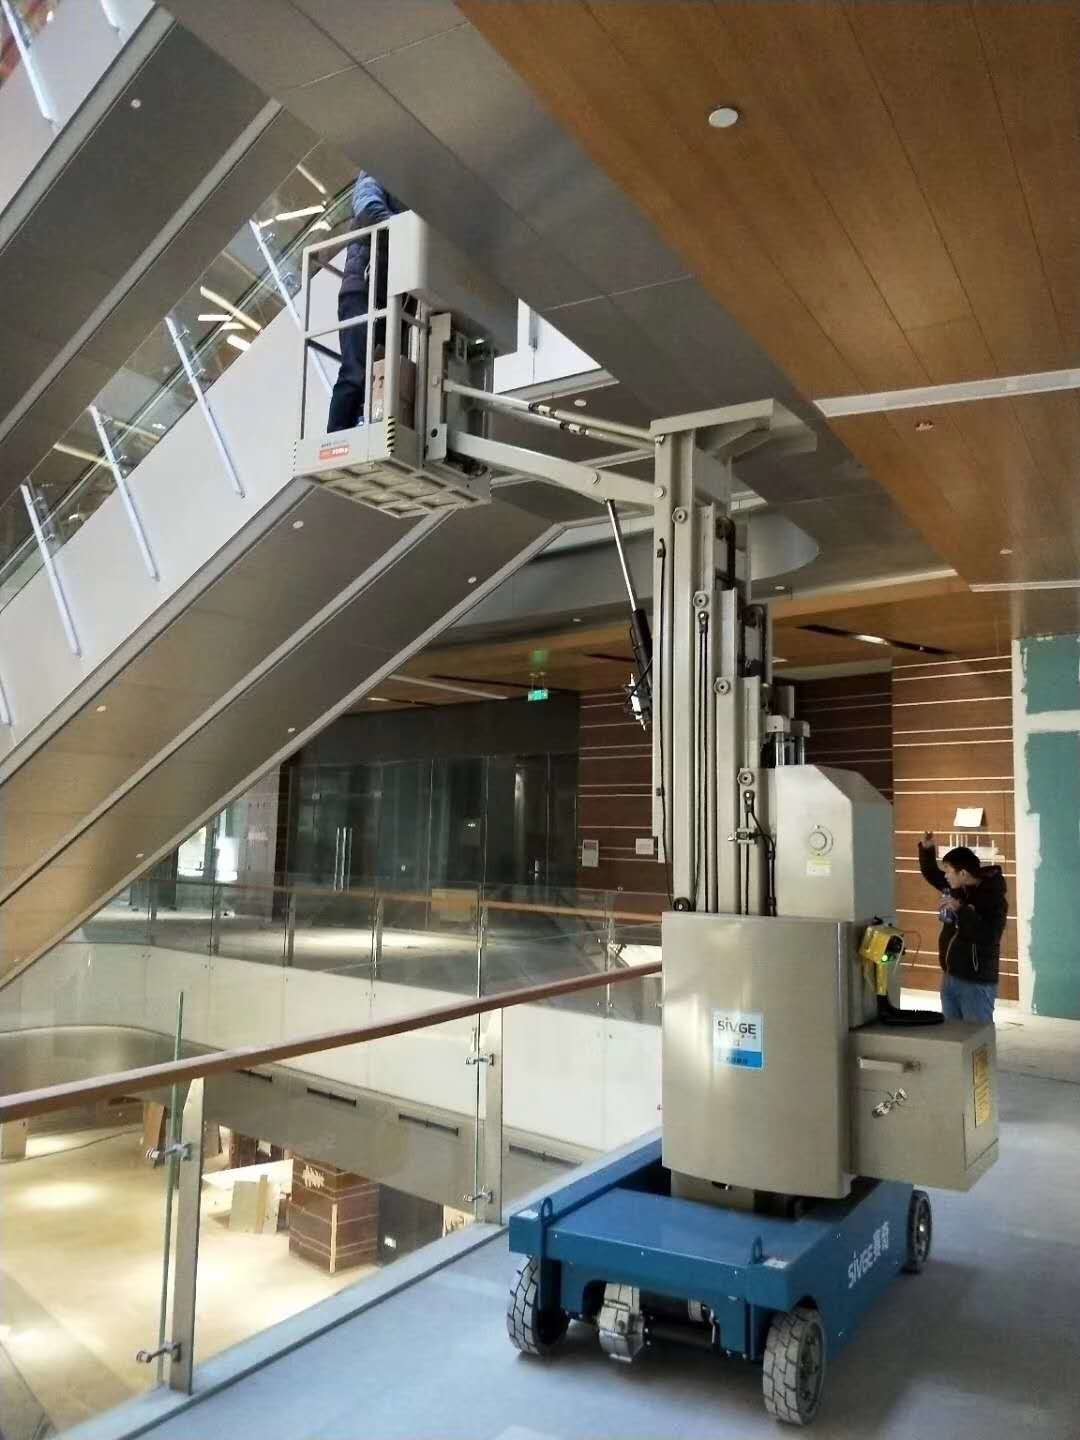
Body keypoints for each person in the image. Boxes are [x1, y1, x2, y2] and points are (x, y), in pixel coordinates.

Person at [326, 172, 406, 432]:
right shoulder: (377, 171)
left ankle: (361, 432)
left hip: (392, 297)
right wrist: (408, 231)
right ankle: (336, 438)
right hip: (363, 288)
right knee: (356, 373)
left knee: (388, 373)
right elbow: (367, 208)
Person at [917, 832, 1007, 1024]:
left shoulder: (993, 898)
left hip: (975, 981)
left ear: (963, 874)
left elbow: (989, 936)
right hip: (951, 975)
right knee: (953, 1035)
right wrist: (927, 849)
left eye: (948, 871)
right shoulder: (958, 887)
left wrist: (961, 910)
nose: (945, 875)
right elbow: (932, 874)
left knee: (977, 1036)